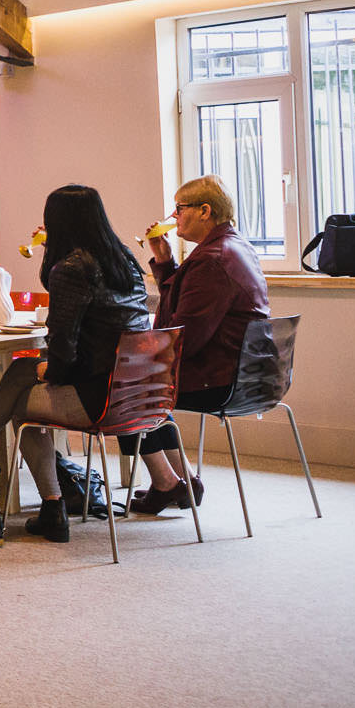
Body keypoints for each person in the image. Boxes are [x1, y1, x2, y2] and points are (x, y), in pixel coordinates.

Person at [0, 186, 152, 542]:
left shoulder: (73, 267)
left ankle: (47, 502)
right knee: (21, 373)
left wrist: (55, 371)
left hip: (100, 397)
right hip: (138, 393)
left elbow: (62, 341)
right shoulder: (124, 260)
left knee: (19, 401)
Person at [130, 174, 270, 512]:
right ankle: (182, 481)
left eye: (179, 208)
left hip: (218, 378)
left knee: (123, 388)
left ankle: (168, 483)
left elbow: (182, 339)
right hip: (245, 375)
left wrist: (135, 355)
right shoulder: (232, 247)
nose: (173, 216)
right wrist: (163, 260)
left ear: (204, 211)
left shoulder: (212, 259)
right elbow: (183, 313)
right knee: (139, 381)